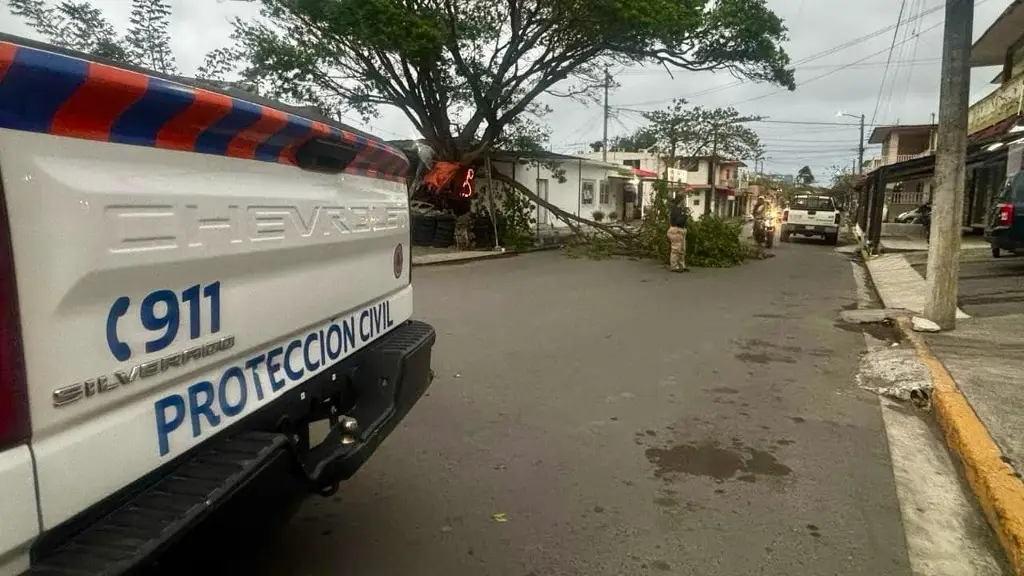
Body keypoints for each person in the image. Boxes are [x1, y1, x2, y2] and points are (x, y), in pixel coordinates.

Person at [667, 195, 689, 272]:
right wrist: (684, 217)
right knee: (676, 249)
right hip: (676, 230)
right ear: (681, 201)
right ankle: (674, 266)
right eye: (684, 200)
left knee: (682, 249)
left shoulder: (681, 209)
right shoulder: (675, 210)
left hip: (681, 231)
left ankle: (681, 265)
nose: (685, 202)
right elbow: (678, 221)